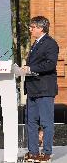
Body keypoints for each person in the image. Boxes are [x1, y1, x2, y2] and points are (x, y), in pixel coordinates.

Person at [21, 16, 59, 162]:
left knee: (46, 122)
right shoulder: (35, 44)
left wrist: (31, 68)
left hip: (44, 89)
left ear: (41, 28)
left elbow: (50, 64)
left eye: (32, 27)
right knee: (31, 122)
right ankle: (33, 153)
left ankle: (47, 153)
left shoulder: (50, 43)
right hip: (32, 89)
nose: (30, 29)